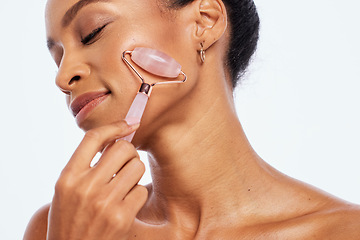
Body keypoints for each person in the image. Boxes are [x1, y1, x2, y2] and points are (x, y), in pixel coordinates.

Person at [24, 0, 360, 239]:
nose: (63, 76)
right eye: (58, 57)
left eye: (93, 31)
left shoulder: (344, 232)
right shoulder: (59, 227)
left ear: (204, 22)